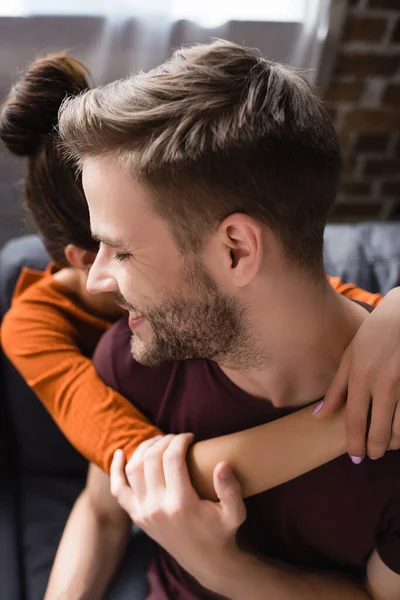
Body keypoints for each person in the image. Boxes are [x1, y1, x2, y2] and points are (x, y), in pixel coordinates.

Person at [56, 40, 400, 599]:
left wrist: (218, 567)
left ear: (236, 250)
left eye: (119, 251)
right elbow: (101, 512)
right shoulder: (138, 353)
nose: (95, 280)